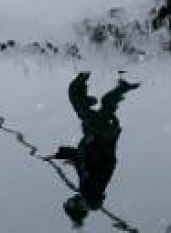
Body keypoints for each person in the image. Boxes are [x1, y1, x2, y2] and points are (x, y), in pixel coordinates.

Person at [50, 71, 140, 228]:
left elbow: (84, 161)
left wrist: (63, 155)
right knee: (76, 97)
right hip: (101, 135)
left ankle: (124, 84)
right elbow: (102, 164)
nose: (71, 199)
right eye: (71, 202)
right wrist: (92, 144)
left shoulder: (88, 189)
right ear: (78, 206)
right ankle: (87, 70)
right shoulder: (90, 192)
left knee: (104, 105)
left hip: (103, 134)